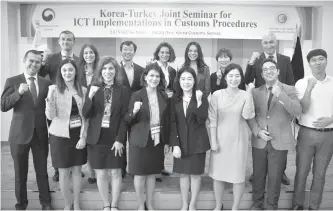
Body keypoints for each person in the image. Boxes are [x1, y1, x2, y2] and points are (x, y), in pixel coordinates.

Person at [1, 50, 53, 210]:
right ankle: (21, 205)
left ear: (41, 64)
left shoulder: (46, 83)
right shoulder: (13, 81)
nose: (34, 64)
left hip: (40, 134)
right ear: (24, 60)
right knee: (20, 174)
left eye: (38, 62)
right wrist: (19, 92)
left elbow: (49, 108)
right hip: (19, 134)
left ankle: (46, 204)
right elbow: (3, 105)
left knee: (42, 172)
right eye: (31, 61)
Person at [247, 58, 302, 210]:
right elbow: (250, 116)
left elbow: (298, 111)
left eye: (272, 68)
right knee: (258, 176)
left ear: (278, 71)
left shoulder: (289, 90)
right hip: (259, 140)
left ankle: (271, 206)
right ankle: (257, 205)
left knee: (275, 177)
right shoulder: (255, 92)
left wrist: (281, 95)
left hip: (280, 141)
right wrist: (257, 132)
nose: (269, 71)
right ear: (262, 74)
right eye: (265, 70)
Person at [245, 32, 295, 185]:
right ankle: (258, 172)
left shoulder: (285, 59)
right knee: (260, 142)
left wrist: (288, 101)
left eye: (271, 42)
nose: (269, 45)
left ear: (276, 42)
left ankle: (281, 173)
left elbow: (291, 81)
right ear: (262, 44)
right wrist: (250, 64)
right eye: (266, 43)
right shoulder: (257, 59)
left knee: (281, 140)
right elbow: (247, 81)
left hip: (280, 103)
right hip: (262, 104)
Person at [83, 56, 130, 210]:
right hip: (97, 137)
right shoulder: (93, 88)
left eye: (111, 68)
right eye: (104, 68)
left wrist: (120, 139)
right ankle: (106, 205)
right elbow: (85, 113)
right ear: (100, 71)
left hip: (115, 137)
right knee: (101, 174)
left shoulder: (123, 90)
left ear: (116, 71)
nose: (107, 71)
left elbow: (125, 118)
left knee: (116, 172)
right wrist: (89, 96)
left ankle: (115, 205)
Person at [39, 30, 84, 181]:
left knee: (74, 134)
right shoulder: (51, 59)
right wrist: (43, 61)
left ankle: (75, 164)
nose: (66, 42)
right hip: (55, 104)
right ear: (59, 42)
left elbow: (81, 81)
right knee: (57, 140)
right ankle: (59, 168)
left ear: (73, 42)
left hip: (74, 104)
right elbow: (39, 74)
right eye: (63, 39)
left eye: (69, 39)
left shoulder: (79, 60)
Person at [208, 63, 255, 210]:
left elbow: (248, 115)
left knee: (238, 175)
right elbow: (212, 120)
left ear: (241, 78)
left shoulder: (245, 94)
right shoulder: (217, 95)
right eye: (231, 76)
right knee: (218, 174)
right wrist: (213, 141)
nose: (234, 79)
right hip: (220, 139)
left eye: (237, 76)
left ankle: (235, 207)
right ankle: (218, 205)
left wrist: (249, 93)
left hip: (239, 139)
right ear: (225, 77)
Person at [124, 63, 170, 210]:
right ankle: (140, 204)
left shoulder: (163, 95)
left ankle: (149, 204)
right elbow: (127, 119)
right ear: (145, 77)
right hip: (139, 140)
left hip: (156, 140)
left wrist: (167, 141)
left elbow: (167, 120)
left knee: (151, 174)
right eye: (151, 75)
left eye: (157, 76)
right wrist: (134, 112)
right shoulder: (136, 95)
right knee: (139, 174)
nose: (154, 79)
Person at [292, 49, 333, 210]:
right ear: (309, 63)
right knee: (301, 171)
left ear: (326, 61)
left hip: (328, 135)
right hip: (306, 133)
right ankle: (297, 204)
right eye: (314, 60)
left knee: (320, 173)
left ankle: (314, 206)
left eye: (321, 59)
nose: (318, 62)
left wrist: (331, 119)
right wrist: (309, 88)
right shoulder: (301, 83)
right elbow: (302, 108)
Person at [45, 59, 88, 210]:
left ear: (76, 72)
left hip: (78, 135)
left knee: (77, 171)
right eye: (64, 70)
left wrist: (83, 136)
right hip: (59, 135)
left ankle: (76, 204)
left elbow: (86, 117)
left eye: (70, 70)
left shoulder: (83, 90)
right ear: (60, 73)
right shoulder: (54, 89)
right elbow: (50, 116)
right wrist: (49, 97)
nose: (67, 73)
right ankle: (67, 204)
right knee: (63, 172)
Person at [170, 67, 210, 210]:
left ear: (194, 80)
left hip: (198, 143)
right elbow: (172, 123)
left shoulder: (202, 97)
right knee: (183, 175)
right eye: (183, 79)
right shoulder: (174, 99)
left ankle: (192, 205)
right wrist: (175, 145)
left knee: (195, 175)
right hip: (181, 143)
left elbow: (201, 119)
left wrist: (198, 101)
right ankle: (184, 204)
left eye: (189, 79)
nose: (186, 82)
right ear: (178, 81)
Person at [118, 40, 145, 178]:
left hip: (136, 111)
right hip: (120, 111)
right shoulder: (114, 69)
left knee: (134, 140)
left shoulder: (141, 70)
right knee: (120, 140)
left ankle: (135, 168)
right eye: (125, 49)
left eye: (130, 50)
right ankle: (121, 169)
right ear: (121, 51)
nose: (127, 52)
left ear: (134, 52)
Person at [78, 43, 100, 184]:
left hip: (95, 108)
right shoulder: (78, 70)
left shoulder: (100, 69)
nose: (88, 55)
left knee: (91, 140)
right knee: (80, 138)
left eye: (91, 53)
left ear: (95, 54)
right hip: (79, 108)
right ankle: (78, 168)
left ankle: (93, 173)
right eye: (86, 53)